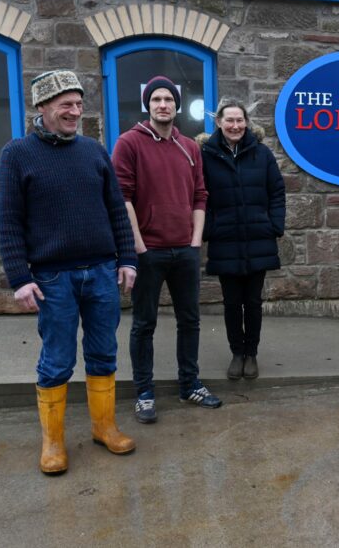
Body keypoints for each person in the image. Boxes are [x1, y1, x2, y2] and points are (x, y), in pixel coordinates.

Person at [0, 70, 137, 475]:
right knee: (56, 360)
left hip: (102, 272)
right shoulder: (17, 154)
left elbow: (116, 209)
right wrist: (19, 278)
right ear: (43, 108)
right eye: (66, 105)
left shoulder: (94, 151)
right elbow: (8, 222)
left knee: (103, 352)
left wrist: (127, 259)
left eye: (79, 104)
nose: (76, 112)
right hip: (51, 279)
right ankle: (53, 440)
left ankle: (104, 426)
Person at [112, 75, 222, 424]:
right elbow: (121, 197)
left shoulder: (189, 147)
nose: (163, 104)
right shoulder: (129, 143)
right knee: (143, 324)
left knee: (190, 320)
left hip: (185, 251)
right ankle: (144, 392)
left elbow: (200, 196)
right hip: (148, 252)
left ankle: (189, 384)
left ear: (176, 105)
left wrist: (195, 242)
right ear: (148, 104)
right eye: (156, 99)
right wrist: (139, 246)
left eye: (169, 99)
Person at [200, 98, 285, 380]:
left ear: (247, 123)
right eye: (229, 120)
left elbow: (277, 192)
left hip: (257, 239)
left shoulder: (262, 154)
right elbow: (200, 195)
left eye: (239, 120)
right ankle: (237, 353)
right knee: (232, 303)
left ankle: (252, 354)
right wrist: (209, 229)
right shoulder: (206, 155)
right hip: (225, 240)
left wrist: (274, 225)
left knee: (254, 302)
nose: (235, 125)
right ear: (219, 123)